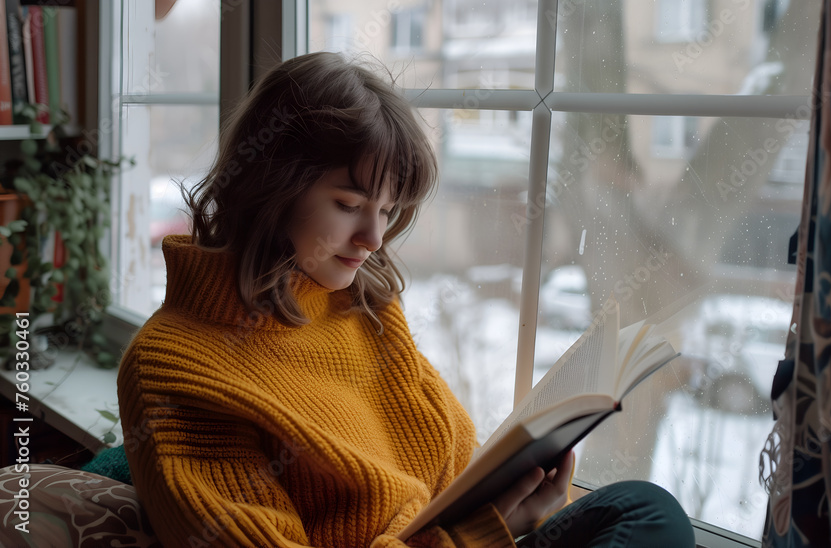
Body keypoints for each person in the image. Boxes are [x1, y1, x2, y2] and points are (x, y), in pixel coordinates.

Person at [117, 51, 696, 548]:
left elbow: (454, 467)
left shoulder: (362, 310)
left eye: (389, 212)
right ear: (270, 185)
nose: (374, 239)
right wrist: (479, 535)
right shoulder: (174, 365)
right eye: (348, 204)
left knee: (643, 508)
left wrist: (523, 492)